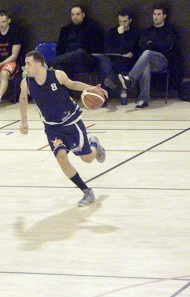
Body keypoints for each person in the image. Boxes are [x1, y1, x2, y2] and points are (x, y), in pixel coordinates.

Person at [19, 51, 107, 206]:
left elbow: (73, 84)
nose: (26, 67)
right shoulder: (26, 83)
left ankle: (95, 145)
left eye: (28, 64)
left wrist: (93, 88)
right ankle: (87, 191)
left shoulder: (57, 75)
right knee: (61, 158)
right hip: (52, 128)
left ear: (39, 64)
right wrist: (24, 121)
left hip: (71, 123)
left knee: (87, 159)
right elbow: (23, 99)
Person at [119, 4, 177, 109]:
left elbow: (167, 46)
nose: (156, 16)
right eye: (154, 14)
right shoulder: (147, 31)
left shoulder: (169, 30)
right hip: (149, 60)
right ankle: (143, 100)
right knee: (146, 65)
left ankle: (130, 78)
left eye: (159, 14)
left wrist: (151, 43)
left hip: (163, 61)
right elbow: (142, 45)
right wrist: (156, 44)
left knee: (148, 52)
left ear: (164, 16)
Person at [96, 9, 139, 105]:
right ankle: (109, 81)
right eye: (120, 21)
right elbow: (107, 49)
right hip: (112, 59)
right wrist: (121, 52)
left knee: (115, 64)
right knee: (104, 60)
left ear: (130, 20)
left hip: (126, 62)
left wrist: (122, 35)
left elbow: (129, 49)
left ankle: (108, 84)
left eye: (125, 21)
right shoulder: (111, 32)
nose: (122, 24)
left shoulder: (134, 33)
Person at [55, 5, 103, 74]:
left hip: (85, 56)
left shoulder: (92, 28)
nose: (75, 17)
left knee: (80, 52)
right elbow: (59, 48)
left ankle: (50, 62)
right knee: (60, 67)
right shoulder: (65, 30)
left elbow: (96, 47)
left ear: (83, 15)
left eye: (77, 14)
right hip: (68, 58)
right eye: (73, 15)